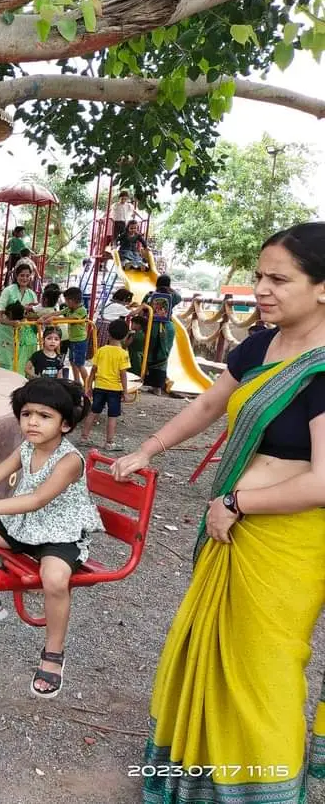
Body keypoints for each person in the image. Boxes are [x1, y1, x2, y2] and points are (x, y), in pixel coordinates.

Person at [113, 223, 325, 804]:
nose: (262, 289)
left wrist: (236, 501)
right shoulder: (260, 346)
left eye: (279, 279)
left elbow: (322, 482)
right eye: (259, 276)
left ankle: (265, 792)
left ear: (322, 287)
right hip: (235, 529)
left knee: (263, 669)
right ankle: (206, 782)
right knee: (209, 653)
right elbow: (208, 403)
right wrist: (147, 448)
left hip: (288, 540)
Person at [0, 378, 103, 699]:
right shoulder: (27, 448)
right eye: (26, 414)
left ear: (65, 425)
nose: (33, 422)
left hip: (59, 533)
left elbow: (37, 499)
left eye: (44, 416)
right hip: (24, 526)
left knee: (55, 579)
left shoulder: (69, 460)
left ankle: (53, 653)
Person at [80, 319, 130, 451]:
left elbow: (93, 370)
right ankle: (109, 442)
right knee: (112, 416)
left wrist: (88, 386)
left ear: (108, 332)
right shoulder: (123, 354)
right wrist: (125, 392)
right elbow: (123, 375)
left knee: (93, 412)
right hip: (114, 389)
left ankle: (84, 438)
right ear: (125, 335)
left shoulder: (101, 350)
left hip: (99, 387)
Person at [0, 262, 38, 376]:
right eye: (22, 275)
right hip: (3, 333)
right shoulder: (8, 290)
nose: (24, 278)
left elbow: (34, 314)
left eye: (27, 276)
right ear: (16, 276)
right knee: (1, 365)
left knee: (18, 365)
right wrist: (11, 322)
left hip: (21, 334)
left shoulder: (32, 294)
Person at [141, 275, 182, 394]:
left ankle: (145, 381)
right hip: (168, 328)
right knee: (163, 355)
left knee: (149, 353)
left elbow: (143, 307)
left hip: (152, 326)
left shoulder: (150, 295)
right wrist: (170, 289)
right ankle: (157, 387)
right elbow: (179, 298)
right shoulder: (173, 296)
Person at [61, 287, 90, 386]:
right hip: (72, 339)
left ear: (70, 301)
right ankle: (77, 382)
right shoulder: (70, 308)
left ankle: (87, 385)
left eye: (66, 301)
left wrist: (53, 318)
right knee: (72, 362)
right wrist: (47, 316)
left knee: (79, 364)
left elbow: (70, 319)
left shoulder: (82, 310)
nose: (65, 303)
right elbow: (59, 313)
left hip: (80, 341)